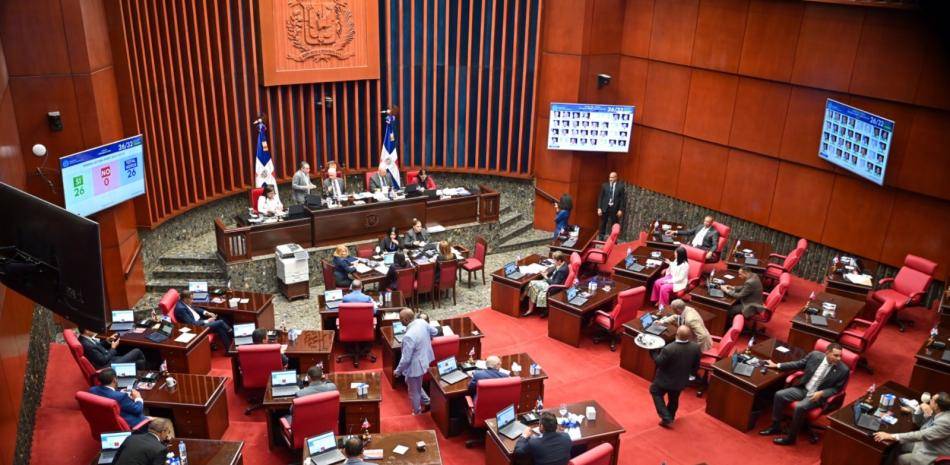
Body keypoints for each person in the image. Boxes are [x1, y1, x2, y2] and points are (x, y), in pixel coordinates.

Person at [760, 343, 850, 445]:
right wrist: (777, 365)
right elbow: (798, 364)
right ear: (827, 353)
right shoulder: (814, 355)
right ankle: (775, 427)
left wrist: (822, 393)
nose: (839, 358)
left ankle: (791, 438)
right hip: (803, 389)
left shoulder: (843, 370)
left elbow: (837, 389)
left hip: (817, 396)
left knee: (800, 407)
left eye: (840, 356)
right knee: (779, 395)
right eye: (836, 355)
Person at [874, 391, 950, 465]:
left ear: (936, 406)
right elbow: (919, 423)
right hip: (926, 444)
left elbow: (921, 435)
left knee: (901, 459)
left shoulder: (945, 422)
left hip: (932, 454)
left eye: (932, 399)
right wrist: (920, 408)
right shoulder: (940, 412)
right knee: (896, 446)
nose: (930, 400)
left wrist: (891, 436)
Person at [650, 325, 700, 428]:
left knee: (655, 391)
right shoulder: (695, 347)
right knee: (674, 399)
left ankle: (666, 417)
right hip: (681, 380)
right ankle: (670, 417)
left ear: (676, 334)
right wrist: (691, 376)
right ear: (689, 336)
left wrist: (653, 352)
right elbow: (696, 365)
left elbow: (659, 362)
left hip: (664, 380)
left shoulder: (669, 348)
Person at [394, 308, 435, 414]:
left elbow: (406, 359)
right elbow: (434, 331)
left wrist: (398, 371)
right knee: (413, 384)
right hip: (424, 360)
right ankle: (427, 401)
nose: (399, 320)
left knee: (413, 392)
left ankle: (417, 412)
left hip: (415, 367)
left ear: (406, 320)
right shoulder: (422, 322)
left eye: (400, 318)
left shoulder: (408, 336)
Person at [523, 251, 569, 317]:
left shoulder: (562, 270)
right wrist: (546, 272)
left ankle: (523, 298)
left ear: (559, 261)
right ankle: (530, 309)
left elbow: (554, 283)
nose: (553, 262)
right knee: (533, 288)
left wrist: (545, 276)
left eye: (554, 260)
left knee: (531, 283)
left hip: (553, 287)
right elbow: (554, 267)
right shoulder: (562, 263)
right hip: (550, 281)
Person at [76, 328, 147, 369]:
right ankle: (144, 369)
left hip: (108, 359)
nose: (95, 329)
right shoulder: (88, 345)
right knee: (137, 351)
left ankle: (142, 369)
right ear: (87, 331)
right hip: (107, 366)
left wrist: (107, 341)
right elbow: (103, 361)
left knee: (137, 362)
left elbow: (96, 347)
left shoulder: (83, 338)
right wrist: (113, 348)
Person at [597, 171, 625, 239]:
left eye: (612, 177)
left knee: (614, 224)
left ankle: (613, 239)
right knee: (603, 223)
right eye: (610, 177)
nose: (610, 179)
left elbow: (622, 199)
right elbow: (601, 197)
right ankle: (601, 237)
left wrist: (620, 210)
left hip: (614, 208)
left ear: (616, 178)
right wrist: (599, 208)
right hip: (605, 207)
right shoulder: (604, 185)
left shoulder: (620, 187)